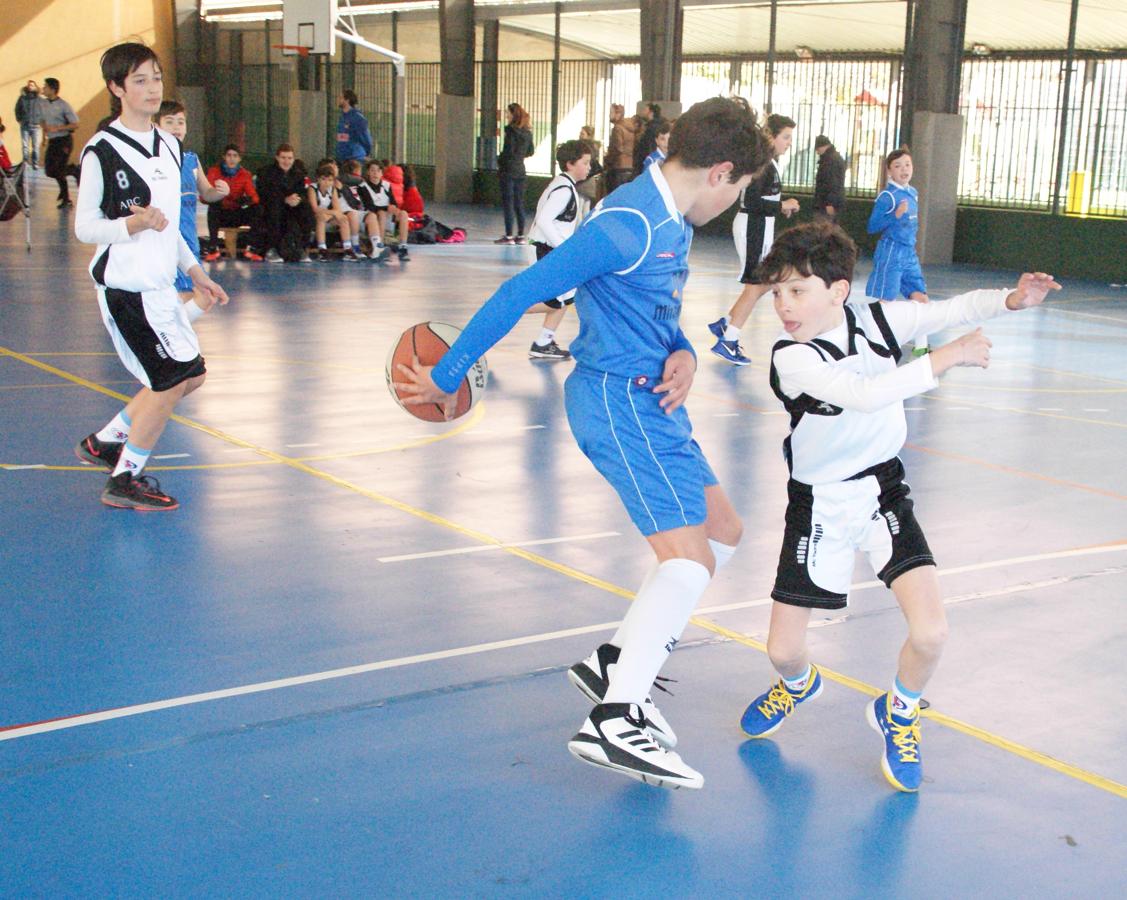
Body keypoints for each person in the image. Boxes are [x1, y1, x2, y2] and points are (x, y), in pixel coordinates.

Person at [393, 98, 774, 790]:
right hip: (614, 401)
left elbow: (656, 306)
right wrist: (448, 376)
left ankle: (614, 661)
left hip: (653, 397)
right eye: (742, 189)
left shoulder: (675, 216)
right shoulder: (628, 221)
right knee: (687, 566)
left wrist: (683, 350)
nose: (736, 202)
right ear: (721, 172)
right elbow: (520, 291)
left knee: (722, 529)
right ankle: (616, 717)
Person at [741, 220, 1060, 792]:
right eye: (778, 292)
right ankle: (796, 685)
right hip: (817, 504)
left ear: (838, 292)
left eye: (797, 291)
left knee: (932, 632)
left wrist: (1013, 300)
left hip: (882, 490)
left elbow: (950, 311)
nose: (783, 305)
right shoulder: (792, 357)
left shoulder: (878, 319)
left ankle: (901, 710)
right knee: (783, 650)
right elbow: (865, 395)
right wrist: (947, 360)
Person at [72, 42, 228, 510]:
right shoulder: (102, 150)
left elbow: (171, 232)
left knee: (191, 376)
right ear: (117, 88)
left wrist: (197, 273)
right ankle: (124, 479)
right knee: (169, 382)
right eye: (139, 80)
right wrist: (131, 225)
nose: (151, 88)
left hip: (160, 287)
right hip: (125, 287)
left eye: (156, 78)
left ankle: (105, 442)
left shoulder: (171, 146)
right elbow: (84, 228)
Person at [708, 112, 799, 366]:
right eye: (785, 137)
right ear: (770, 136)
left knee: (765, 282)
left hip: (760, 226)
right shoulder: (762, 166)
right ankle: (729, 338)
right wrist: (782, 205)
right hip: (753, 227)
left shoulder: (770, 164)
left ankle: (727, 324)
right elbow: (753, 202)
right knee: (758, 283)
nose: (788, 142)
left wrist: (781, 206)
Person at [156, 100, 236, 312]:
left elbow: (207, 193)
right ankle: (172, 341)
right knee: (186, 296)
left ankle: (172, 338)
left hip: (190, 240)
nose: (176, 127)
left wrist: (220, 192)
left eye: (181, 122)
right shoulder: (153, 162)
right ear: (156, 126)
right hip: (166, 240)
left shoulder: (191, 160)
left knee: (202, 296)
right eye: (170, 122)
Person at [526, 139, 593, 361]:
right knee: (553, 300)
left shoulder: (563, 184)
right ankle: (506, 309)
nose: (589, 167)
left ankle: (544, 342)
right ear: (570, 164)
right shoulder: (564, 190)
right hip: (548, 251)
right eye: (585, 162)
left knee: (567, 297)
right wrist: (564, 249)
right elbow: (544, 220)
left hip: (550, 250)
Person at [867, 148, 931, 354]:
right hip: (891, 252)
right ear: (889, 171)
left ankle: (921, 347)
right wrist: (895, 215)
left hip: (909, 253)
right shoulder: (888, 196)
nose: (904, 169)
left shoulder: (912, 193)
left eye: (907, 165)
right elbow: (872, 226)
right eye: (898, 166)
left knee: (920, 298)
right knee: (886, 301)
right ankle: (872, 342)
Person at [254, 143, 314, 263]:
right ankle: (271, 249)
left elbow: (302, 192)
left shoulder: (299, 174)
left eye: (289, 158)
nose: (286, 161)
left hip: (292, 208)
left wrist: (297, 199)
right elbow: (264, 193)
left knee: (306, 209)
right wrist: (284, 199)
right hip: (271, 207)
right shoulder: (266, 172)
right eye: (283, 158)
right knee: (274, 210)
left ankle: (302, 248)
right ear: (277, 158)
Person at [202, 144, 263, 261]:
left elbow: (254, 198)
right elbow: (204, 196)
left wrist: (246, 201)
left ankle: (251, 247)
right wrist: (215, 196)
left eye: (235, 156)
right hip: (221, 214)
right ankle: (213, 247)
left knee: (257, 209)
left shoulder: (245, 175)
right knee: (213, 206)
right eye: (229, 155)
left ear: (239, 159)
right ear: (224, 157)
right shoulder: (214, 172)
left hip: (237, 213)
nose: (232, 159)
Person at [495, 102, 534, 244]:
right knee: (519, 203)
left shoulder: (510, 131)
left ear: (513, 115)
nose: (506, 115)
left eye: (508, 113)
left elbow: (508, 151)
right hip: (521, 170)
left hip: (508, 170)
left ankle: (509, 236)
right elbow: (531, 151)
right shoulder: (528, 133)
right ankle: (521, 236)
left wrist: (500, 159)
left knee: (508, 203)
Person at [40, 77, 81, 208]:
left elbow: (75, 124)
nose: (43, 89)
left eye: (45, 87)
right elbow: (43, 120)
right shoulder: (43, 104)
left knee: (58, 169)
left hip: (63, 141)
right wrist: (44, 136)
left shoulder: (63, 105)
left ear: (52, 89)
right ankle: (73, 170)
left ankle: (66, 198)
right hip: (52, 140)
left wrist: (58, 128)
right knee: (50, 170)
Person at [358, 159, 408, 261]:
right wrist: (386, 208)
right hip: (371, 215)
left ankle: (403, 246)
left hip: (386, 213)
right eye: (372, 170)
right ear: (368, 172)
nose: (375, 173)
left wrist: (394, 208)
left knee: (403, 214)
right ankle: (379, 246)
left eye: (378, 171)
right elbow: (369, 205)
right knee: (381, 213)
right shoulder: (362, 187)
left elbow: (392, 201)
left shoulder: (387, 185)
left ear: (381, 173)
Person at [308, 163, 360, 261]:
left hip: (326, 216)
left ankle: (348, 249)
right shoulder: (312, 188)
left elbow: (337, 209)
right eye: (323, 179)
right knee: (321, 217)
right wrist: (331, 213)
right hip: (312, 217)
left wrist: (331, 214)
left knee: (343, 218)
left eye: (330, 180)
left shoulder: (332, 190)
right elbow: (315, 208)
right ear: (318, 179)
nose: (326, 183)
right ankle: (322, 249)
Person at [604, 103, 638, 193]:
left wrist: (608, 160)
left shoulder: (617, 128)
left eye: (611, 112)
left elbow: (617, 148)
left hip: (618, 166)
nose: (609, 115)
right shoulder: (631, 128)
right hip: (629, 165)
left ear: (618, 114)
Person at [334, 89, 373, 167]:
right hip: (343, 157)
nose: (337, 99)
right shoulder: (342, 117)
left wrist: (364, 153)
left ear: (347, 100)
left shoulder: (357, 118)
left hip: (355, 157)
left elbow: (366, 138)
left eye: (340, 97)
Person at [812, 134, 846, 224]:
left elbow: (832, 183)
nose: (817, 152)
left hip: (825, 203)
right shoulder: (833, 158)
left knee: (824, 229)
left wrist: (830, 203)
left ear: (822, 147)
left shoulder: (830, 161)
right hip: (829, 202)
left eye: (817, 149)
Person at [15, 80, 42, 169]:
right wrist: (19, 119)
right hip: (25, 125)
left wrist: (40, 121)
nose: (30, 86)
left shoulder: (39, 99)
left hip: (36, 126)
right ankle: (25, 162)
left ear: (35, 87)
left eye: (32, 85)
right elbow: (17, 109)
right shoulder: (22, 98)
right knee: (25, 145)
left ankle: (35, 163)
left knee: (36, 146)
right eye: (29, 85)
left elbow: (43, 111)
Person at [632, 102, 665, 175]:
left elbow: (647, 147)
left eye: (645, 110)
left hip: (649, 163)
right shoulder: (659, 126)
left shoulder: (651, 129)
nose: (643, 112)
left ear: (651, 112)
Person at [575, 124, 603, 204]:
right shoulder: (594, 148)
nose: (580, 136)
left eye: (582, 134)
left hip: (583, 181)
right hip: (590, 180)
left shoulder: (584, 148)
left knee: (579, 205)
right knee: (586, 206)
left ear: (589, 136)